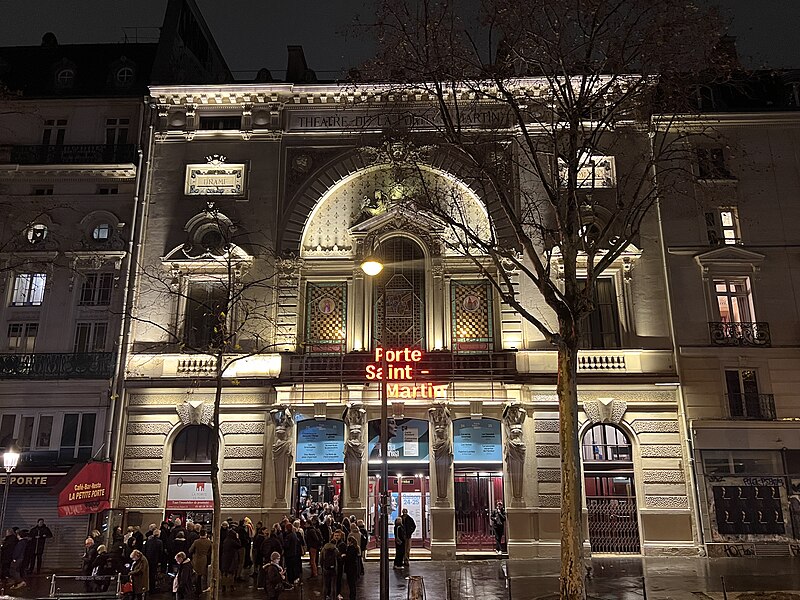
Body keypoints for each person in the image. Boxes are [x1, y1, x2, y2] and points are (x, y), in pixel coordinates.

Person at [343, 536, 360, 600]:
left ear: (350, 542)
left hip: (350, 568)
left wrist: (344, 556)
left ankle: (352, 596)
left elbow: (349, 558)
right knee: (352, 583)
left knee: (351, 583)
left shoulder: (351, 548)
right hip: (353, 567)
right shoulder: (356, 548)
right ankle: (353, 595)